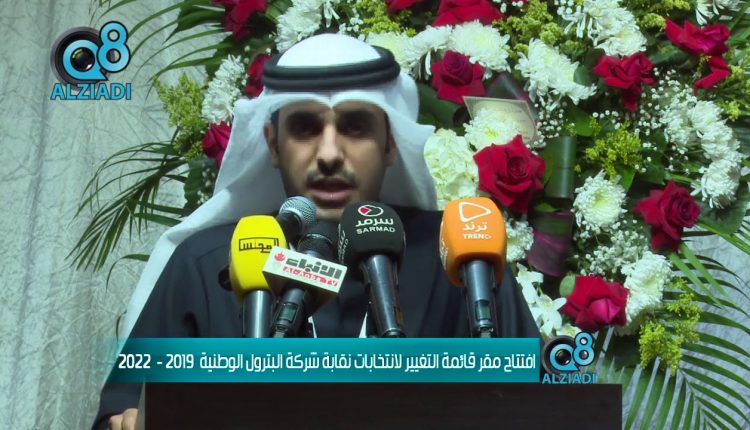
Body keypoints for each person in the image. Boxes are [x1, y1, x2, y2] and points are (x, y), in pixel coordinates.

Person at [92, 33, 540, 430]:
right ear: (273, 145)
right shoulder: (203, 265)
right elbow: (121, 414)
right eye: (305, 128)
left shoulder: (462, 258)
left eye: (355, 127)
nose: (328, 154)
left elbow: (543, 404)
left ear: (389, 145)